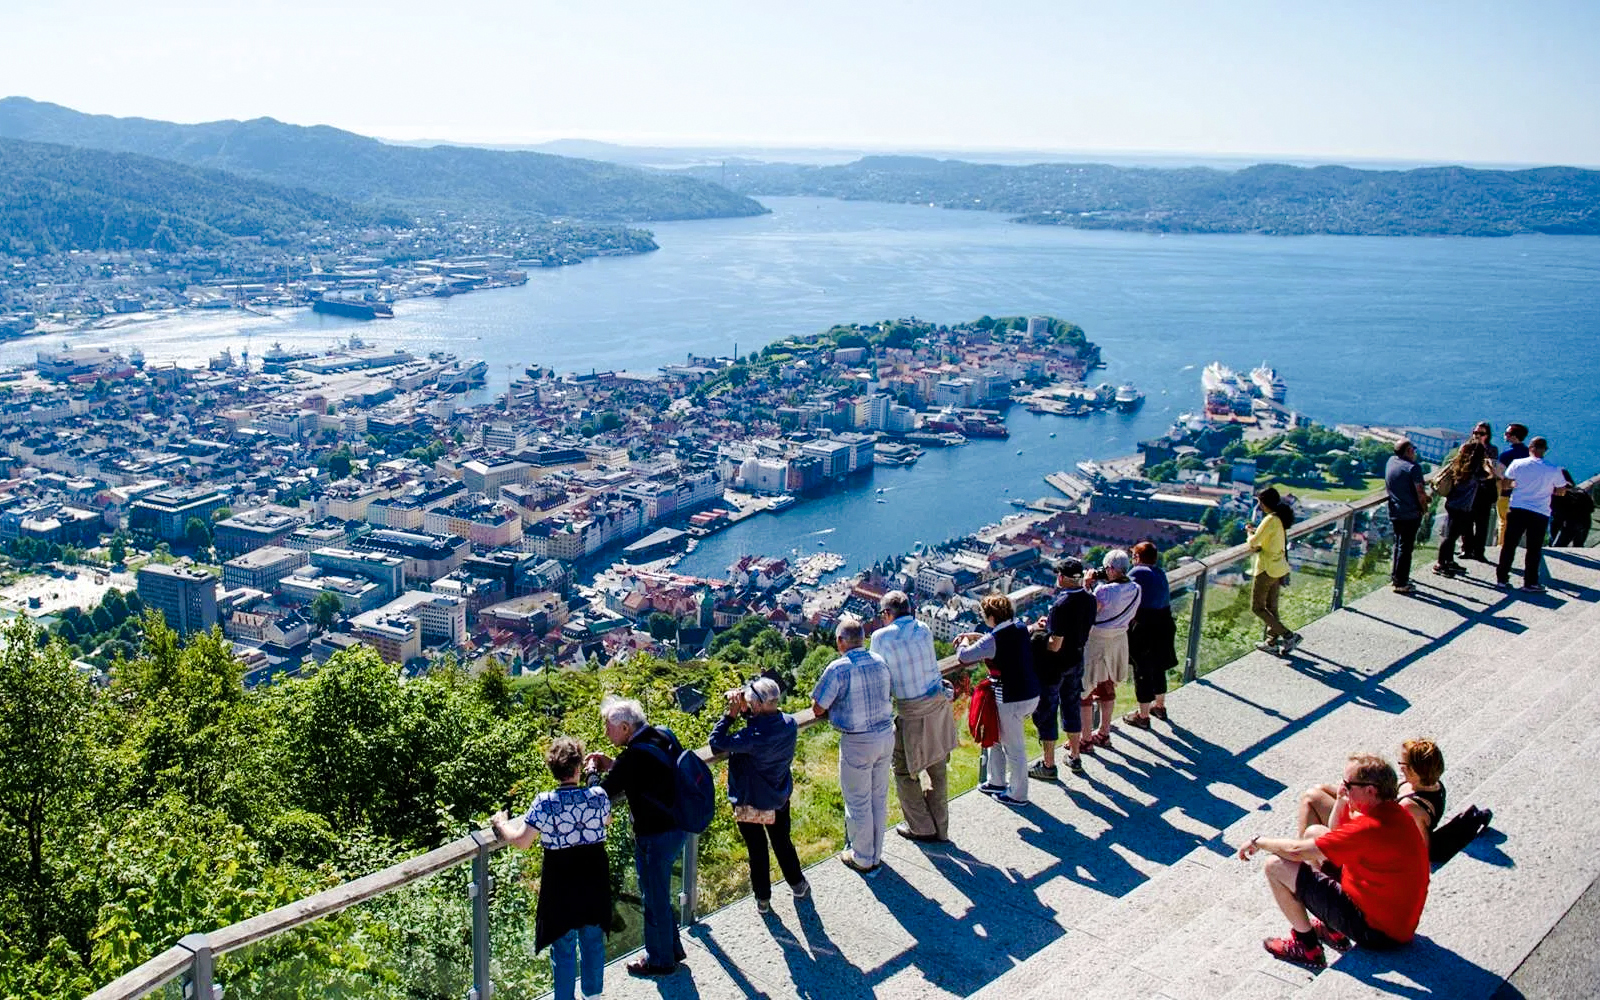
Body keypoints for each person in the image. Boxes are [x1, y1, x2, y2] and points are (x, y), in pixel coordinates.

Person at [1239, 754, 1430, 969]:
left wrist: (1259, 842)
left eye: (1348, 784)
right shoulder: (1394, 813)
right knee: (1315, 832)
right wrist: (1340, 801)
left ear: (1370, 790)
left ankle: (1307, 947)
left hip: (1377, 931)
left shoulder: (1369, 828)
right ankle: (1333, 930)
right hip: (1395, 919)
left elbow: (1295, 851)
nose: (1343, 786)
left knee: (1275, 866)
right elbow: (1335, 836)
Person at [493, 738, 613, 1000]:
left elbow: (523, 841)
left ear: (553, 769)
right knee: (592, 941)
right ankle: (593, 996)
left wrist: (501, 825)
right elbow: (607, 820)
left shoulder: (545, 802)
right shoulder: (598, 797)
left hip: (561, 883)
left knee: (563, 945)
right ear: (578, 766)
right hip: (594, 878)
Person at [585, 697, 687, 977]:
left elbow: (601, 795)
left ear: (626, 728)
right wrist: (614, 764)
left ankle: (660, 962)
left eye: (609, 727)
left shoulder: (633, 757)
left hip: (654, 834)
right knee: (659, 892)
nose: (606, 733)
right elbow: (652, 770)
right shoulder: (663, 734)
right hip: (678, 825)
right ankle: (672, 948)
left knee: (653, 899)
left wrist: (592, 772)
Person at [708, 677, 807, 912]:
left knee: (758, 850)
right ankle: (798, 884)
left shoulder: (752, 738)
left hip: (750, 800)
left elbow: (716, 742)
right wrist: (748, 712)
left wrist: (731, 715)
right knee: (782, 842)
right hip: (778, 796)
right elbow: (762, 729)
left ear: (759, 706)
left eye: (751, 701)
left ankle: (763, 899)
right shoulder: (790, 723)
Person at [873, 591, 960, 843]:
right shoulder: (923, 628)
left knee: (903, 770)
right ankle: (941, 829)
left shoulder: (880, 637)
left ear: (887, 614)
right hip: (938, 703)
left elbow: (881, 675)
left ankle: (921, 826)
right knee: (937, 768)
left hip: (911, 711)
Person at [811, 615, 894, 876]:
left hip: (858, 740)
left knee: (858, 801)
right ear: (863, 639)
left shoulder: (839, 668)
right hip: (885, 734)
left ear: (840, 642)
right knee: (878, 798)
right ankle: (875, 853)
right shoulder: (880, 661)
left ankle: (862, 856)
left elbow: (818, 707)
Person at [957, 593, 1040, 804]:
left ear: (991, 617)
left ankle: (1018, 793)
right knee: (996, 736)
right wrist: (977, 636)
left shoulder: (994, 640)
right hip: (1030, 691)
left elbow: (965, 657)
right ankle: (996, 780)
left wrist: (964, 641)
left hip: (1011, 697)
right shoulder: (1020, 627)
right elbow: (995, 639)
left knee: (1014, 748)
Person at [1296, 739, 1446, 845]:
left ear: (1414, 770)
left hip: (1373, 835)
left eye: (1403, 764)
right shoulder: (1433, 784)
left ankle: (1304, 856)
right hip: (1375, 811)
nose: (1400, 767)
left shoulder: (1411, 806)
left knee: (1311, 798)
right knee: (1321, 788)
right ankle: (1306, 848)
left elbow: (1421, 845)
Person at [1029, 558, 1095, 779]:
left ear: (1063, 578)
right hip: (1076, 659)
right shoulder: (1089, 599)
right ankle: (1075, 756)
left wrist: (1039, 636)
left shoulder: (1061, 605)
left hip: (1055, 666)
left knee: (1047, 712)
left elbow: (1054, 645)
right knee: (1071, 706)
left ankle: (1048, 765)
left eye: (1058, 574)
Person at [1079, 549, 1141, 749]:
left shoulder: (1103, 591)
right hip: (1119, 640)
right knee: (1107, 687)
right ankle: (1104, 733)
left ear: (1112, 570)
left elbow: (1089, 611)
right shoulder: (1136, 589)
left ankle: (1085, 739)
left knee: (1085, 689)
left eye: (1106, 569)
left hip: (1097, 641)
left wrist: (1087, 586)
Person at [1497, 436, 1568, 593]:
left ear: (1530, 448)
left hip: (1517, 508)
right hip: (1540, 512)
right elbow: (1562, 490)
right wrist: (1551, 489)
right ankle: (1530, 583)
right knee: (1534, 549)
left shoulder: (1517, 464)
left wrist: (1518, 485)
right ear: (1545, 450)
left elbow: (1506, 484)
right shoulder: (1553, 469)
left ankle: (1501, 579)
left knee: (1509, 545)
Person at [1124, 541, 1176, 729]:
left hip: (1146, 626)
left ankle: (1143, 716)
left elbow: (1122, 589)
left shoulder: (1138, 572)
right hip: (1165, 623)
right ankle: (1159, 706)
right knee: (1159, 666)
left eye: (1133, 556)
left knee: (1142, 670)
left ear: (1137, 557)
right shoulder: (1160, 572)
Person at [1247, 487, 1301, 652]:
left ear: (1264, 503)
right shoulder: (1279, 519)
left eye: (1259, 502)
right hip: (1278, 568)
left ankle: (1289, 636)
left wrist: (1249, 533)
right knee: (1272, 607)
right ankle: (1271, 642)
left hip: (1266, 569)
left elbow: (1253, 543)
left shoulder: (1270, 520)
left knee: (1257, 607)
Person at [1431, 440, 1486, 577]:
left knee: (1452, 535)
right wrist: (1488, 464)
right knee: (1450, 536)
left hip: (1453, 504)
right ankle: (1440, 563)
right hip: (1461, 506)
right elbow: (1490, 475)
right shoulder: (1475, 469)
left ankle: (1448, 561)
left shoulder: (1458, 465)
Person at [1384, 440, 1428, 595]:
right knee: (1406, 547)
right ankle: (1402, 582)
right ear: (1408, 451)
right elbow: (1420, 492)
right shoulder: (1413, 468)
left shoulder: (1391, 461)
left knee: (1398, 544)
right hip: (1410, 513)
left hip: (1395, 511)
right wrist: (1424, 509)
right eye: (1413, 449)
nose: (1415, 452)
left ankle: (1396, 577)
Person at [1463, 423, 1502, 562]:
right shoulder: (1467, 448)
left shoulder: (1492, 450)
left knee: (1482, 523)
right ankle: (1466, 549)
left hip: (1484, 491)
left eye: (1481, 433)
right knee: (1466, 521)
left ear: (1487, 435)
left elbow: (1491, 471)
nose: (1477, 436)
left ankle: (1479, 551)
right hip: (1468, 490)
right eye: (1475, 433)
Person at [1497, 423, 1531, 544]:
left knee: (1503, 522)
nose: (1505, 435)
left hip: (1506, 493)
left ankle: (1501, 547)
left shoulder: (1506, 455)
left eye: (1508, 433)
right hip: (1525, 494)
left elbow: (1500, 475)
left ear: (1514, 437)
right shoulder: (1529, 453)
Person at [1551, 469, 1593, 547]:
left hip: (1569, 524)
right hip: (1585, 523)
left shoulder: (1557, 494)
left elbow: (1556, 513)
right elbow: (1591, 508)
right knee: (1579, 546)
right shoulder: (1580, 491)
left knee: (1558, 547)